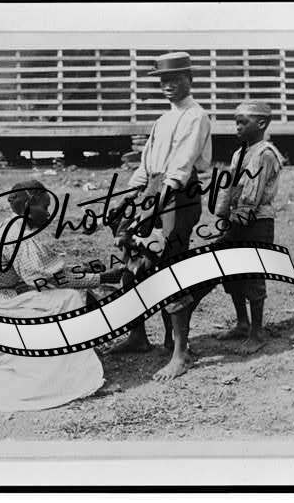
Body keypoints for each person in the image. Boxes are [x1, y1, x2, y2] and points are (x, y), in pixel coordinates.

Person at [0, 180, 123, 412]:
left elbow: (42, 272)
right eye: (44, 206)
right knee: (69, 299)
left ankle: (78, 357)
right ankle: (76, 377)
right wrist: (101, 278)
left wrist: (86, 272)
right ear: (29, 204)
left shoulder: (11, 224)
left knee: (54, 298)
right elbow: (55, 278)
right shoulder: (20, 235)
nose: (48, 213)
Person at [108, 51, 212, 381]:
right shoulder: (162, 120)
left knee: (168, 266)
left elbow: (181, 167)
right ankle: (138, 336)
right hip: (154, 190)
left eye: (175, 79)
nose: (168, 85)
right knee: (132, 261)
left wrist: (153, 206)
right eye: (164, 80)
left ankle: (180, 352)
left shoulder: (196, 116)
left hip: (177, 195)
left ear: (189, 80)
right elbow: (146, 166)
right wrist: (128, 199)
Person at [212, 101, 284, 354]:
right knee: (232, 273)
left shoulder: (265, 154)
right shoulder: (239, 153)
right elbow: (230, 186)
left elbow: (252, 195)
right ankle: (242, 323)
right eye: (236, 123)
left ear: (261, 123)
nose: (238, 127)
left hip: (257, 222)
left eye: (243, 122)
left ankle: (257, 332)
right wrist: (223, 214)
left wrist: (235, 220)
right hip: (237, 219)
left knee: (253, 275)